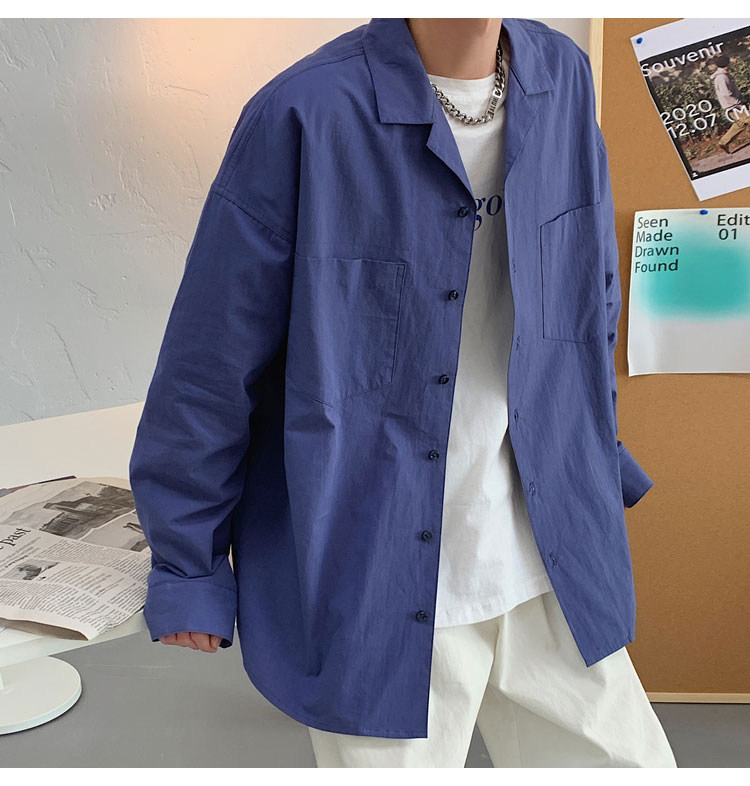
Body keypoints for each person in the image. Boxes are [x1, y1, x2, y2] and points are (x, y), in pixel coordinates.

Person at [129, 17, 678, 767]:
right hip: (372, 567)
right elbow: (211, 358)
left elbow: (589, 295)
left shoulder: (564, 78)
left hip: (550, 546)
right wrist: (187, 565)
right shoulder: (305, 112)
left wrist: (595, 451)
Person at [711, 53, 750, 155]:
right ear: (727, 64)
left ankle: (724, 142)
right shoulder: (722, 77)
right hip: (733, 105)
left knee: (741, 124)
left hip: (732, 105)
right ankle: (723, 142)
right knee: (747, 119)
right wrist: (738, 103)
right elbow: (726, 94)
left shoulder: (722, 76)